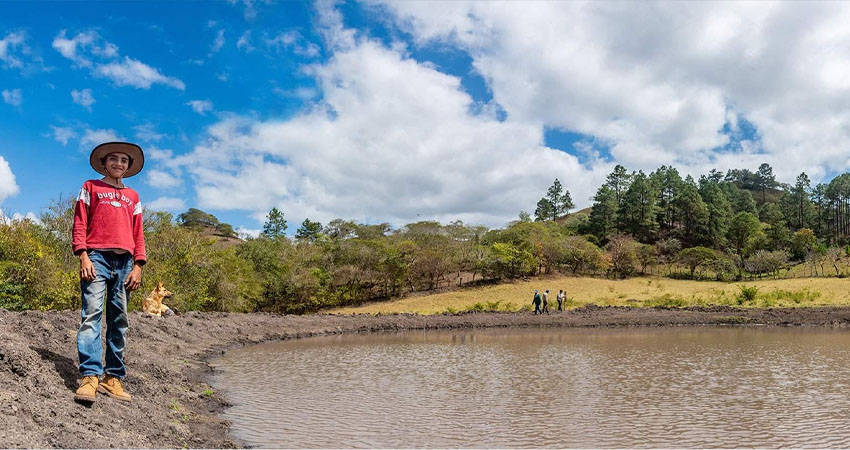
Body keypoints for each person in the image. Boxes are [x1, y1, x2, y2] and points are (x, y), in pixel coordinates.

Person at [72, 142, 146, 404]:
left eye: (124, 160)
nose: (119, 164)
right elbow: (80, 221)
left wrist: (138, 265)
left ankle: (112, 378)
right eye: (113, 159)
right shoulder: (91, 187)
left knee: (119, 320)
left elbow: (138, 232)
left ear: (129, 166)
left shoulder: (133, 196)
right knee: (91, 315)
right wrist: (83, 255)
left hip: (125, 263)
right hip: (96, 257)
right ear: (104, 163)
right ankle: (90, 376)